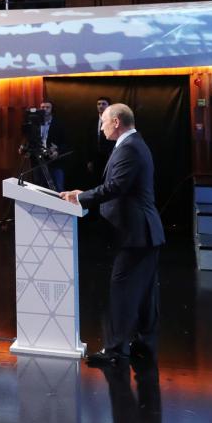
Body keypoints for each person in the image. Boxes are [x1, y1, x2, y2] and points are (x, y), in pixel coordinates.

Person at [61, 103, 165, 369]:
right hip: (143, 233)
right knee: (142, 294)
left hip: (136, 233)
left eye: (104, 122)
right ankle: (143, 344)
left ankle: (116, 351)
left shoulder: (129, 147)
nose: (102, 126)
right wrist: (82, 194)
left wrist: (80, 197)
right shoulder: (134, 144)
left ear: (116, 121)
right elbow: (117, 185)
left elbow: (116, 186)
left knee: (123, 290)